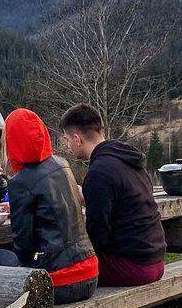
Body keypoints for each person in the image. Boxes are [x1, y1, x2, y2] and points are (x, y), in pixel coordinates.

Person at [60, 102, 165, 288]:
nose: (68, 146)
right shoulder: (126, 159)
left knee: (62, 266)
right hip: (155, 260)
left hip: (133, 267)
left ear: (77, 138)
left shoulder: (99, 172)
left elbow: (97, 235)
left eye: (67, 140)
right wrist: (88, 197)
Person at [0, 107, 98, 304]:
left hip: (61, 282)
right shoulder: (63, 165)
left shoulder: (20, 181)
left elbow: (23, 247)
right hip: (91, 272)